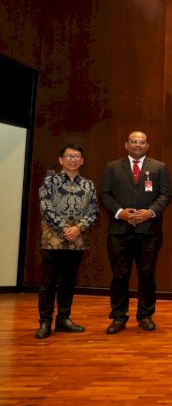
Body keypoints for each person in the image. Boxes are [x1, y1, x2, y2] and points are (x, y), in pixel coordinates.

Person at [100, 131, 171, 334]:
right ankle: (118, 316)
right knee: (119, 275)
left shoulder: (159, 167)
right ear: (126, 144)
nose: (137, 145)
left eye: (141, 142)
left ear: (147, 146)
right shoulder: (112, 167)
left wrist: (150, 212)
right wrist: (120, 212)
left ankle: (145, 315)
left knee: (147, 275)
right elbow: (104, 194)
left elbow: (165, 194)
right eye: (133, 141)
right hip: (119, 231)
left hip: (148, 231)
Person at [34, 143, 99, 339]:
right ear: (61, 160)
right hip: (53, 240)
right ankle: (45, 322)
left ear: (82, 161)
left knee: (68, 283)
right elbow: (46, 209)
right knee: (48, 283)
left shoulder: (88, 185)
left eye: (76, 156)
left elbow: (94, 211)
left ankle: (64, 319)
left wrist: (78, 228)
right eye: (69, 156)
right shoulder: (49, 183)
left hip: (77, 241)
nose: (73, 159)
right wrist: (65, 228)